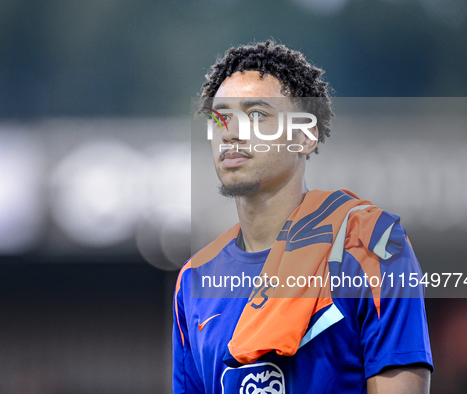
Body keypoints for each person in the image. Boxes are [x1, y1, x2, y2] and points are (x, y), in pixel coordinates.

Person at [173, 40, 433, 394]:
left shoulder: (372, 246)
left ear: (306, 136)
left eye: (257, 115)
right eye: (221, 117)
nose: (231, 133)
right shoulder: (193, 278)